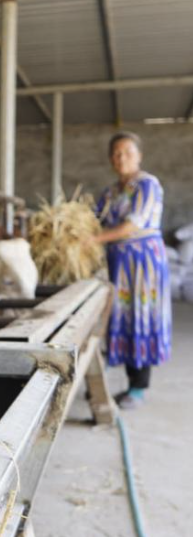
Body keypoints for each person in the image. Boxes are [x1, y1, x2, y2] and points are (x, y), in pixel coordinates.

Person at [92, 131, 172, 409]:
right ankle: (121, 379)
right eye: (116, 153)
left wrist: (94, 239)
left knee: (141, 316)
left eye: (127, 152)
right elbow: (93, 218)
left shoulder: (148, 185)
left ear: (139, 156)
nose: (121, 157)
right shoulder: (110, 192)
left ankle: (138, 387)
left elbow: (133, 224)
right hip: (117, 263)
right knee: (121, 318)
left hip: (143, 264)